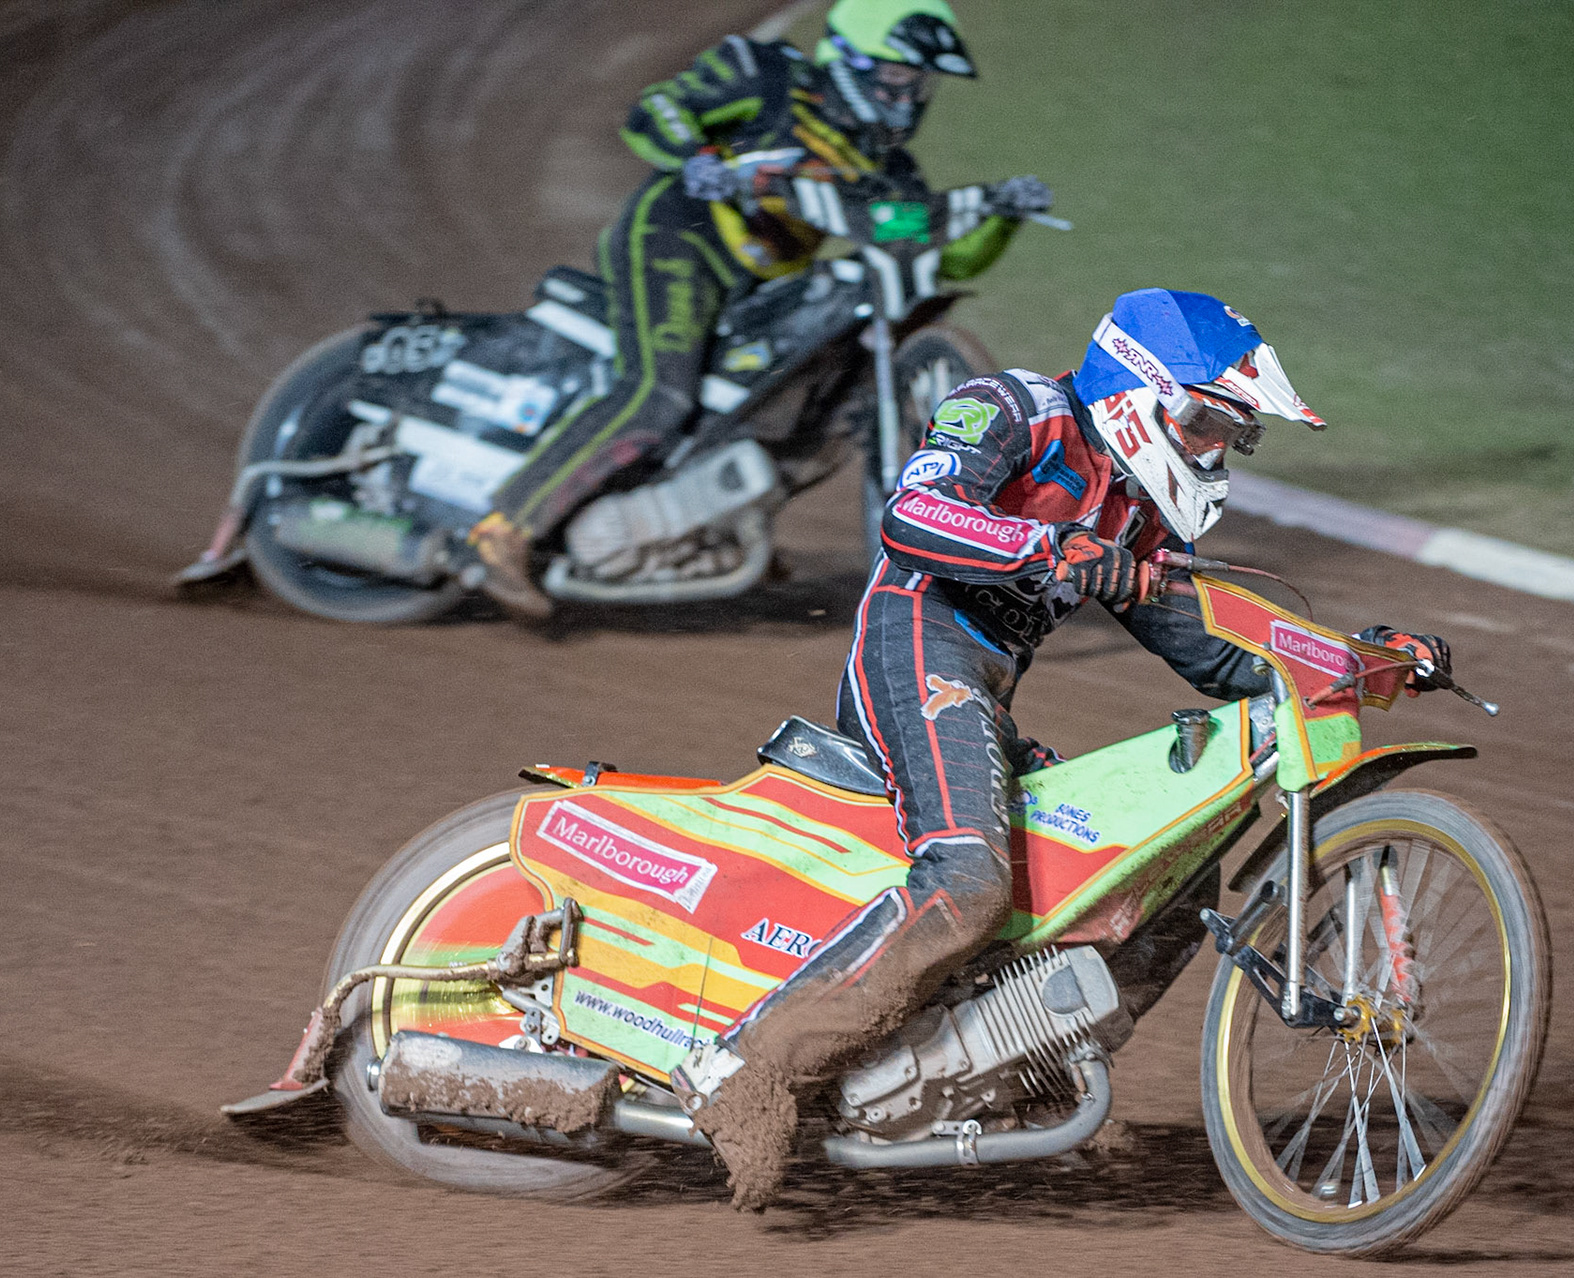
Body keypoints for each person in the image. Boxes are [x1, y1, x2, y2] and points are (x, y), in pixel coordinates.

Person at [670, 288, 1451, 1207]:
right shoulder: (1011, 409)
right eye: (1202, 423)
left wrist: (1357, 661)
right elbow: (912, 518)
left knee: (1166, 865)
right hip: (916, 638)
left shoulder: (1134, 515)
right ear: (1138, 391)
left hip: (983, 689)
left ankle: (1022, 1077)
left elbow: (1207, 647)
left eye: (1228, 437)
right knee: (966, 882)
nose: (1208, 451)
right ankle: (740, 1072)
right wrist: (1047, 546)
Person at [467, 0, 1053, 616]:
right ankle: (504, 529)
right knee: (659, 395)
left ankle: (705, 525)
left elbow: (938, 256)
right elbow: (656, 110)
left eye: (921, 86)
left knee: (806, 409)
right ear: (851, 61)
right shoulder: (767, 73)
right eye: (897, 79)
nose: (908, 100)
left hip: (767, 286)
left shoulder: (889, 171)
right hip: (679, 242)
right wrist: (697, 157)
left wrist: (1001, 218)